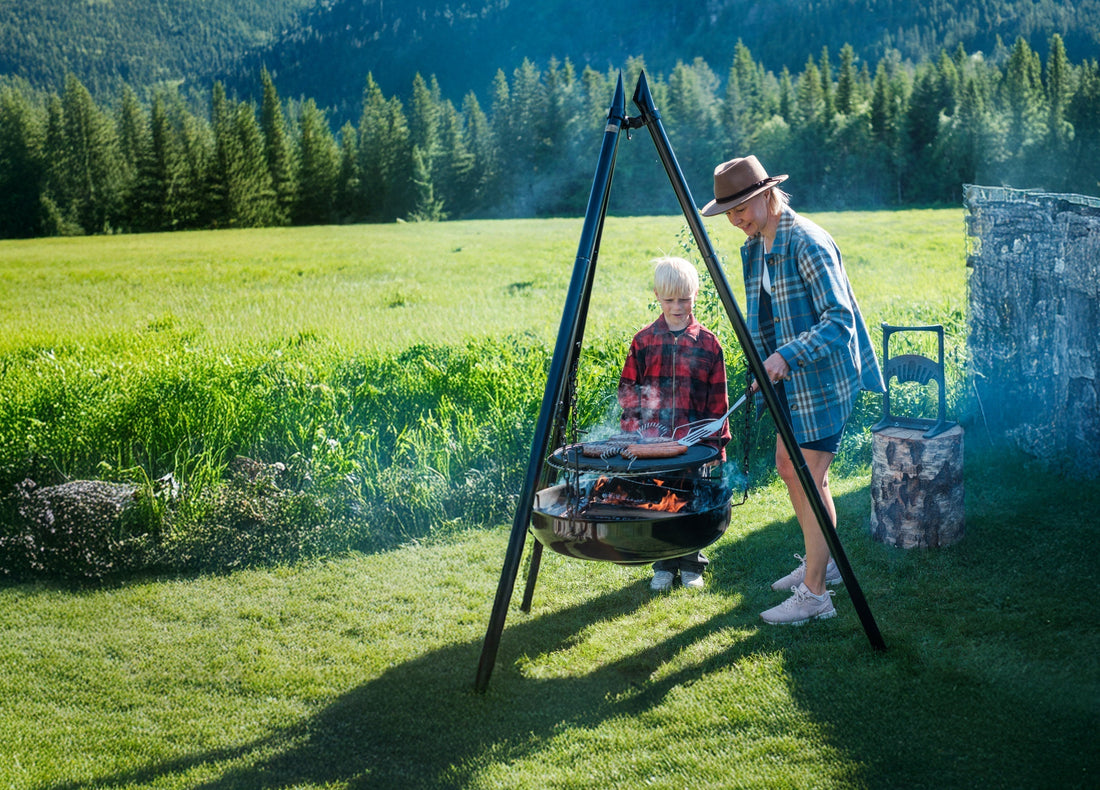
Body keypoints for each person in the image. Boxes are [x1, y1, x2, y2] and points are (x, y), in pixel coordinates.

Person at [700, 155, 885, 625]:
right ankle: (823, 562)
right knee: (789, 467)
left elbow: (839, 321)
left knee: (810, 475)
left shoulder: (807, 242)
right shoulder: (754, 247)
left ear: (765, 194)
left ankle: (815, 594)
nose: (735, 220)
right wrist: (766, 364)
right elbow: (768, 316)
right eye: (729, 213)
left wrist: (787, 355)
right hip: (786, 380)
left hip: (822, 380)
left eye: (741, 208)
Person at [617, 256, 731, 592]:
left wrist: (714, 445)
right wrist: (634, 434)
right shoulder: (643, 341)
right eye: (669, 300)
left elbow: (718, 402)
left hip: (693, 447)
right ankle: (663, 564)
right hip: (653, 445)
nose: (677, 306)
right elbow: (628, 392)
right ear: (656, 295)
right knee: (657, 500)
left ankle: (691, 562)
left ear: (696, 294)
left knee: (691, 501)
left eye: (684, 299)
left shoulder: (709, 344)